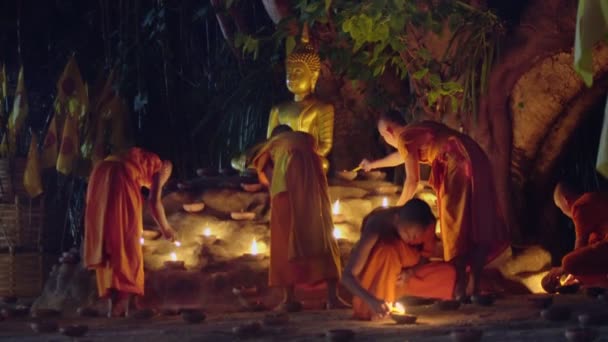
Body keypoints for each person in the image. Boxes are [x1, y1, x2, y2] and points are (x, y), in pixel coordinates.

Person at [359, 110, 509, 300]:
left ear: (388, 131)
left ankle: (461, 288)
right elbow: (401, 157)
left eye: (382, 136)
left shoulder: (405, 137)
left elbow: (412, 181)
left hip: (456, 161)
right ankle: (474, 286)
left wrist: (397, 213)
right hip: (473, 156)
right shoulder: (414, 131)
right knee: (476, 220)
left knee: (454, 223)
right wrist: (373, 165)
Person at [251, 124, 346, 311]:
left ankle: (289, 300)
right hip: (314, 193)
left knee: (285, 244)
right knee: (323, 238)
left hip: (285, 195)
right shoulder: (309, 142)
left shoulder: (274, 145)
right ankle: (332, 297)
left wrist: (269, 179)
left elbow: (260, 168)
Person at [84, 147, 176, 317]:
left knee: (109, 240)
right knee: (127, 245)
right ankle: (122, 305)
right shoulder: (160, 167)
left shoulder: (139, 159)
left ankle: (115, 305)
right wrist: (167, 229)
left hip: (99, 175)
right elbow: (154, 202)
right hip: (119, 177)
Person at [342, 198, 455, 320]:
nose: (410, 240)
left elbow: (425, 256)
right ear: (396, 219)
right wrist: (371, 300)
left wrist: (410, 272)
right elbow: (347, 276)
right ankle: (376, 306)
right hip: (381, 273)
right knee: (387, 250)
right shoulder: (377, 226)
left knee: (450, 274)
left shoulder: (427, 225)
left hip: (406, 275)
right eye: (406, 233)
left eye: (416, 237)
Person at [543, 182, 608, 291]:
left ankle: (599, 284)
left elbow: (579, 249)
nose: (564, 213)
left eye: (560, 209)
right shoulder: (593, 200)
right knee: (593, 240)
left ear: (566, 200)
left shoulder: (580, 206)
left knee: (568, 262)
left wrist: (561, 270)